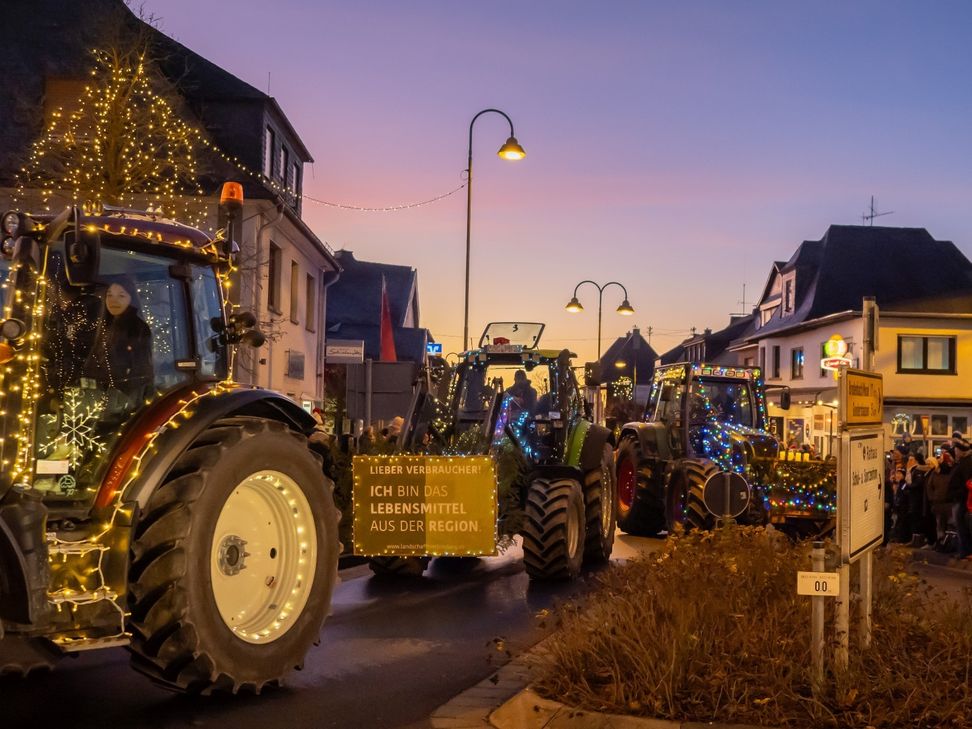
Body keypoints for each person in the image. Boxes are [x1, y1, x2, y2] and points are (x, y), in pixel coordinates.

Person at [82, 278, 153, 417]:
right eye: (109, 295)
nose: (113, 300)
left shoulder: (137, 328)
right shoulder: (105, 326)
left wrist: (119, 392)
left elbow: (141, 369)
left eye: (121, 295)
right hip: (98, 395)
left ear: (131, 298)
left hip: (122, 402)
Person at [946, 436, 972, 559]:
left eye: (956, 450)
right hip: (959, 498)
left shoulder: (966, 463)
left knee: (962, 526)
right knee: (960, 526)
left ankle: (964, 551)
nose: (955, 452)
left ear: (961, 451)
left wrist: (957, 493)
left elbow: (966, 483)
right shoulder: (962, 462)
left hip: (962, 500)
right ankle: (963, 550)